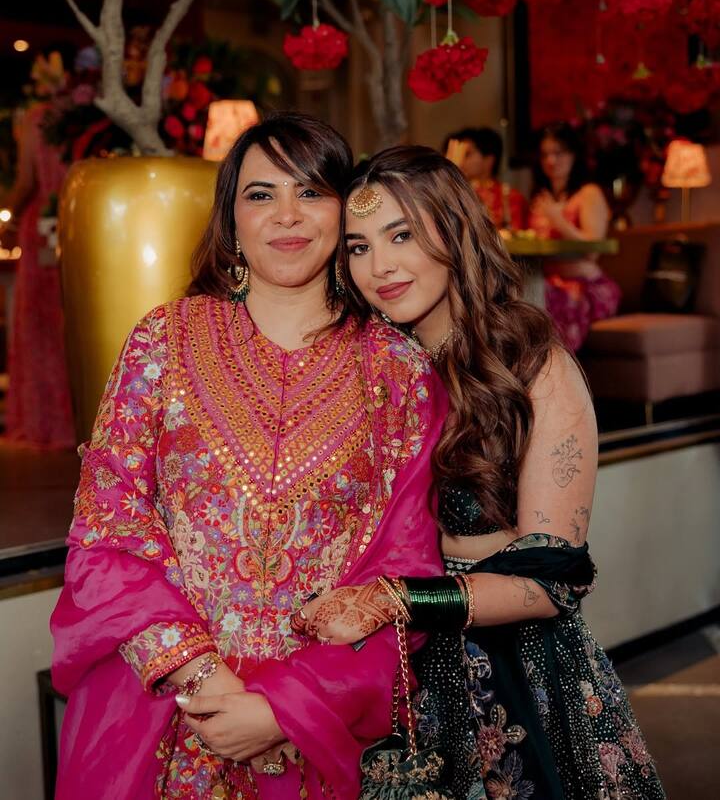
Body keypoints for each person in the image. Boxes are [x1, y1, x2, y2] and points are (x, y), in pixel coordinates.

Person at [50, 114, 447, 799]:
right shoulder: (162, 342)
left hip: (313, 723)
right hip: (162, 715)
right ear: (230, 219)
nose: (287, 216)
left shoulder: (400, 374)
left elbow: (402, 571)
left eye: (311, 192)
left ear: (343, 211)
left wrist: (277, 708)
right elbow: (106, 530)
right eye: (261, 194)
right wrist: (206, 680)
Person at [294, 146, 665, 800]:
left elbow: (555, 580)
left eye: (401, 234)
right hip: (385, 673)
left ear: (454, 227)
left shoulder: (531, 365)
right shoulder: (361, 368)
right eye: (357, 247)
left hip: (514, 676)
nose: (379, 266)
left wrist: (396, 600)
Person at [0, 52, 75, 447]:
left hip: (38, 226)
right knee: (69, 323)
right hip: (77, 221)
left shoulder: (37, 118)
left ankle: (44, 422)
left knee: (36, 326)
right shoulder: (84, 114)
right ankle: (73, 421)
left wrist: (9, 223)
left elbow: (27, 179)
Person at [529, 123, 621, 351]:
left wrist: (557, 220)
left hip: (587, 286)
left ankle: (554, 376)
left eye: (558, 153)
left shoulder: (588, 194)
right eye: (545, 154)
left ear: (574, 155)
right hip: (547, 281)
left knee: (539, 302)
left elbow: (592, 249)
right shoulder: (541, 198)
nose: (551, 161)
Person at [443, 126, 527, 231]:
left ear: (488, 160)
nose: (460, 160)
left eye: (467, 154)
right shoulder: (456, 191)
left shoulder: (510, 197)